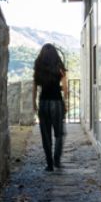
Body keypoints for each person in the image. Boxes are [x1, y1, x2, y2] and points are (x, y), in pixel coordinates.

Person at [33, 43, 68, 172]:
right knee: (59, 133)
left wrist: (33, 103)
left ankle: (49, 165)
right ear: (55, 54)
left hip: (43, 103)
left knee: (45, 134)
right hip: (56, 102)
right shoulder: (59, 68)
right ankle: (57, 161)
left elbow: (34, 87)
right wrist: (66, 102)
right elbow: (65, 88)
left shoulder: (38, 67)